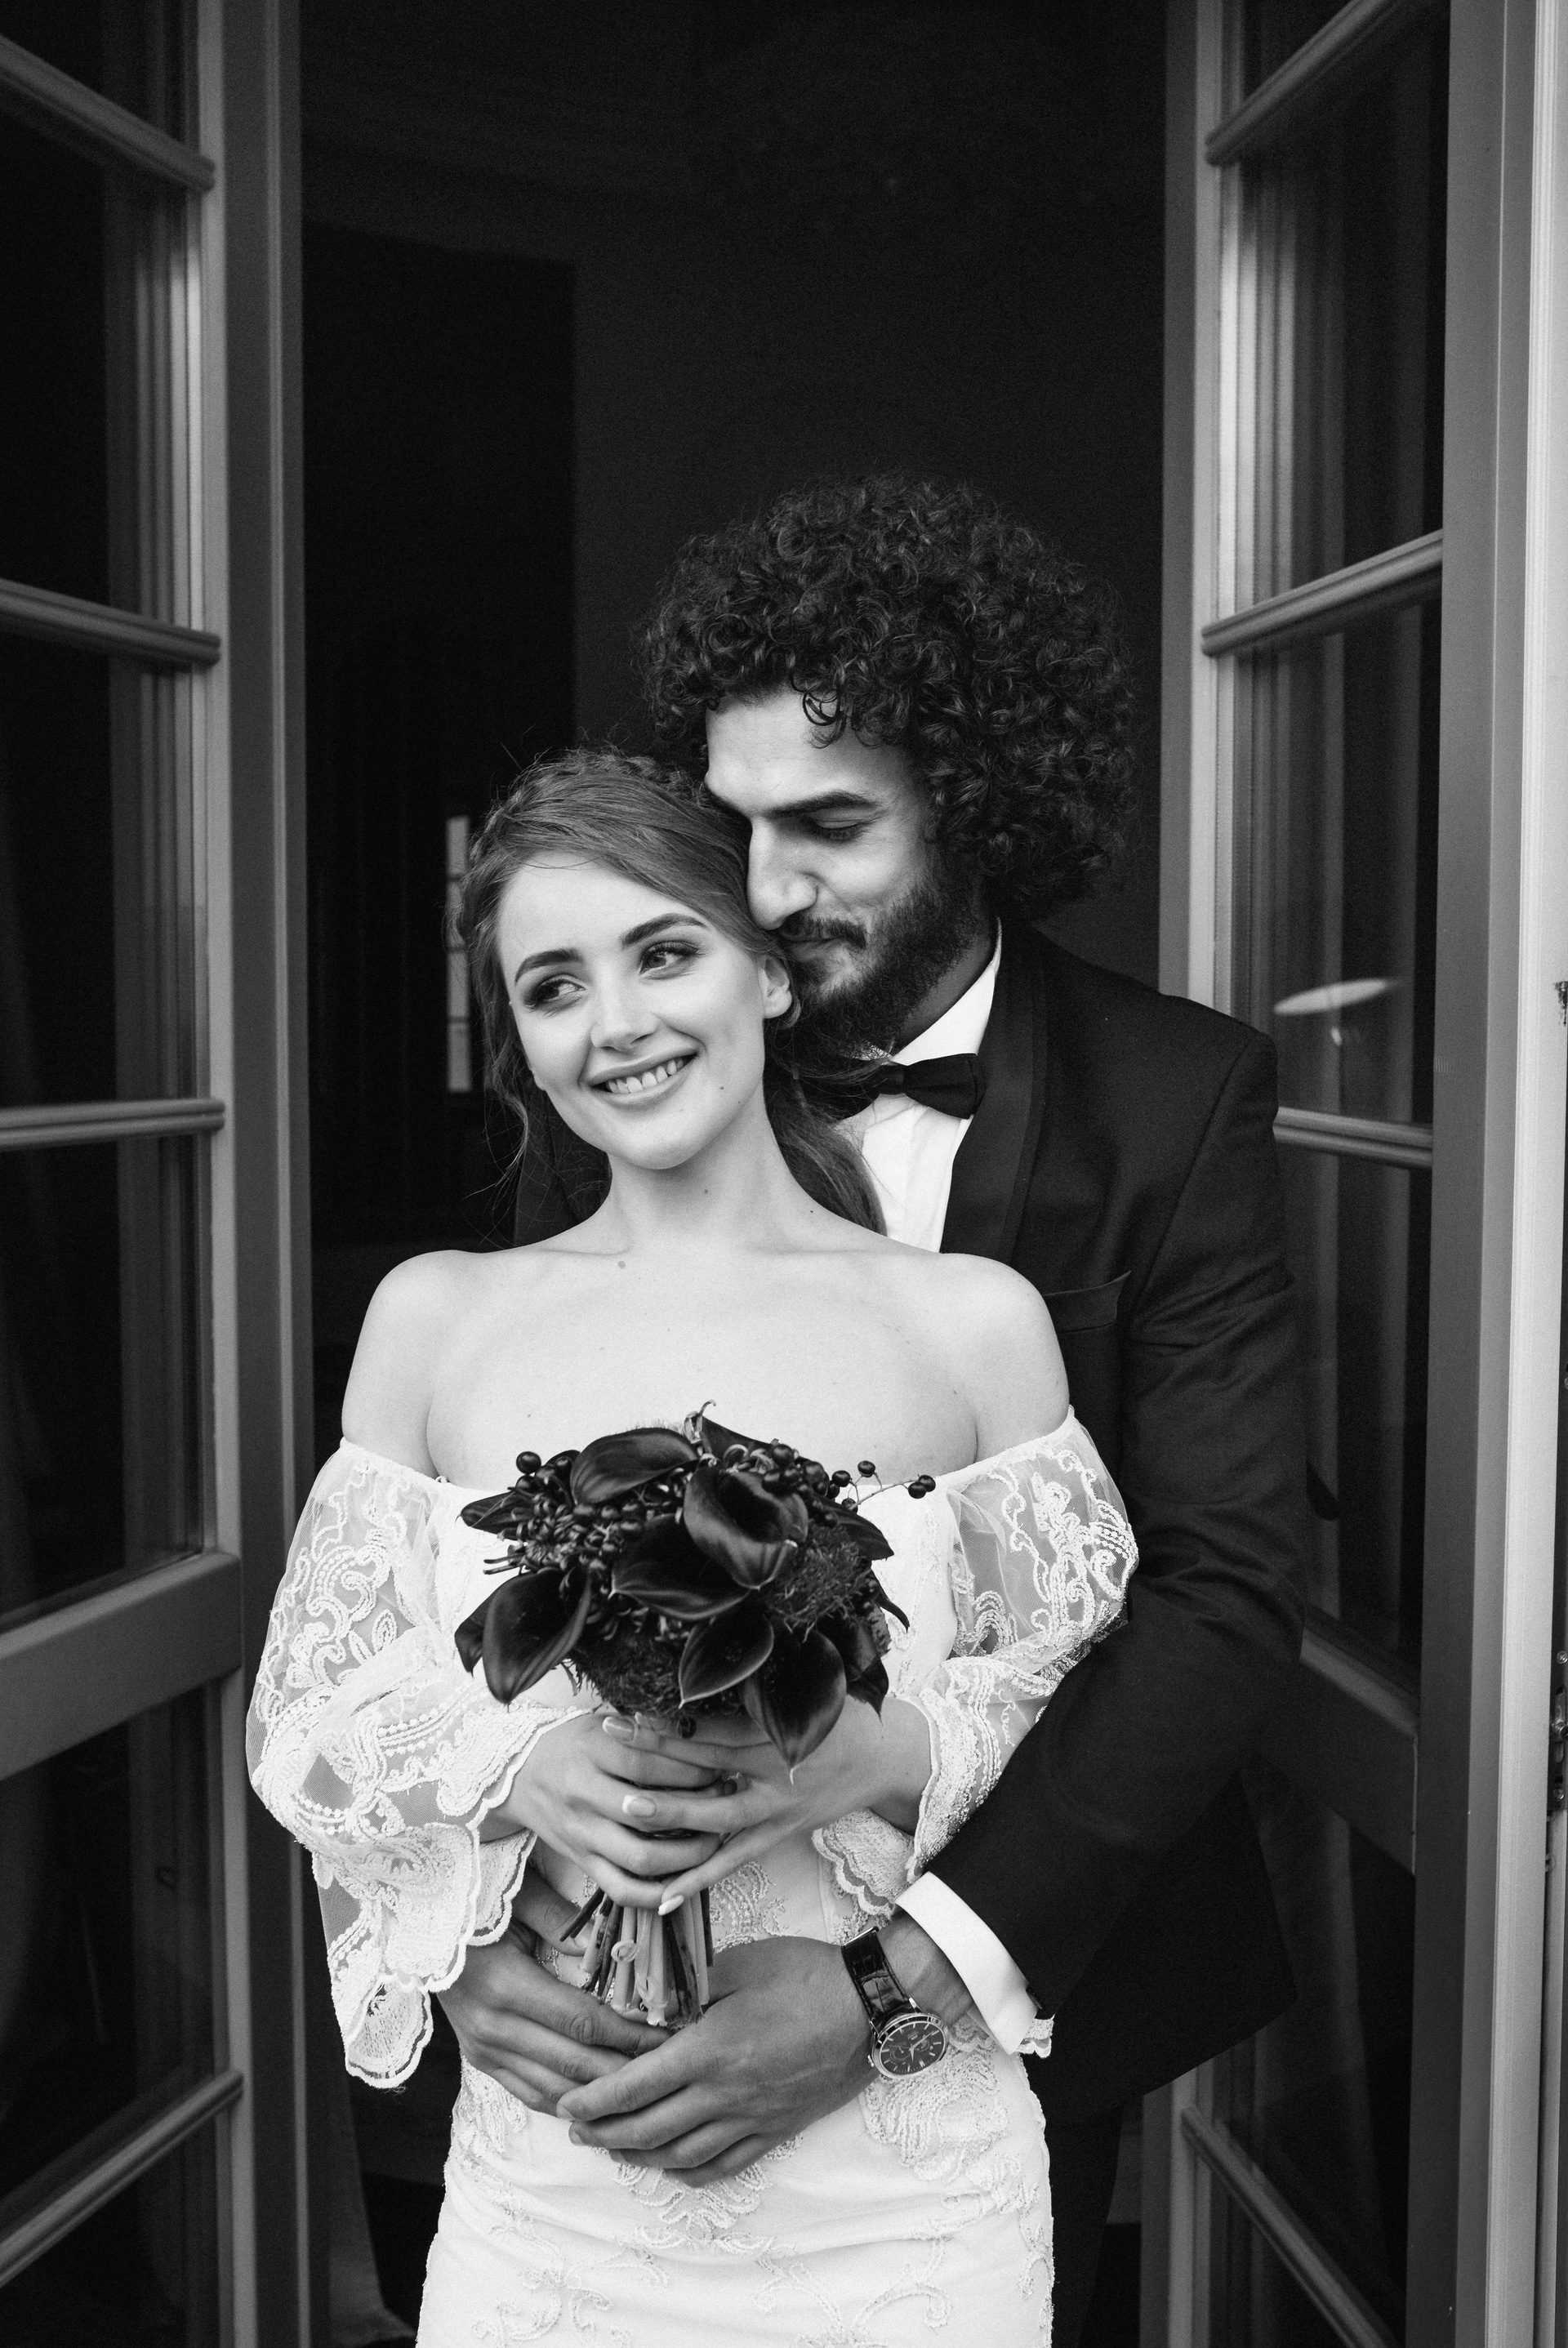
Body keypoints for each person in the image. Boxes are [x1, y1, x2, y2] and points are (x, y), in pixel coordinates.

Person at [443, 476, 1307, 2347]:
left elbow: (1226, 1595)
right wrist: (466, 1931)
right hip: (621, 2016)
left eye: (832, 826)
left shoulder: (1178, 1098)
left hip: (1004, 2006)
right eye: (735, 827)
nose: (765, 892)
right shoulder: (652, 1059)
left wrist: (892, 1992)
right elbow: (499, 1539)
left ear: (978, 804)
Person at [248, 751, 1141, 2343]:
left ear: (767, 972)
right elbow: (309, 1720)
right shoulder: (435, 1321)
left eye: (663, 952)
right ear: (520, 1040)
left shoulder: (974, 1326)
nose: (618, 1022)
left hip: (899, 2192)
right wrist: (498, 1801)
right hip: (555, 2193)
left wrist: (873, 1755)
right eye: (555, 985)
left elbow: (1094, 1719)